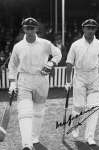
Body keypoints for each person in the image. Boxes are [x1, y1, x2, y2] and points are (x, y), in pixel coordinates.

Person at [8, 17, 62, 150]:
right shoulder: (18, 46)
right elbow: (12, 66)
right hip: (24, 80)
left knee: (38, 112)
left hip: (41, 80)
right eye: (27, 28)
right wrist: (12, 83)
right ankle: (27, 144)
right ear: (23, 28)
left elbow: (58, 54)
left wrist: (51, 63)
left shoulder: (45, 43)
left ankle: (34, 137)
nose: (29, 30)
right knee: (24, 112)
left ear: (36, 29)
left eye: (32, 28)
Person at [65, 19, 99, 147]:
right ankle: (75, 125)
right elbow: (69, 63)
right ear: (83, 29)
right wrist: (68, 82)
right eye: (88, 28)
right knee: (78, 106)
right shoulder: (76, 44)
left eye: (93, 28)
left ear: (95, 29)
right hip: (80, 77)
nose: (90, 30)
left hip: (95, 77)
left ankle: (90, 137)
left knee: (93, 107)